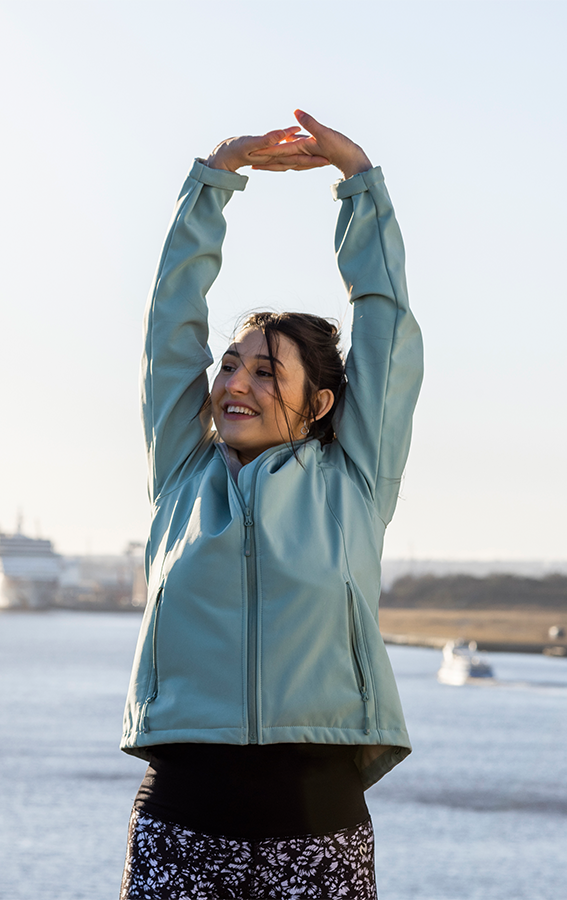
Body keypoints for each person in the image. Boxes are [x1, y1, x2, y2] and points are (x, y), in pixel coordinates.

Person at [118, 110, 422, 900]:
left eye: (264, 372)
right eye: (229, 366)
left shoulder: (352, 480)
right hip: (181, 821)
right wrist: (214, 183)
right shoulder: (183, 474)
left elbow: (386, 326)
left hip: (318, 826)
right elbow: (167, 329)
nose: (234, 384)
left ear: (317, 403)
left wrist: (359, 185)